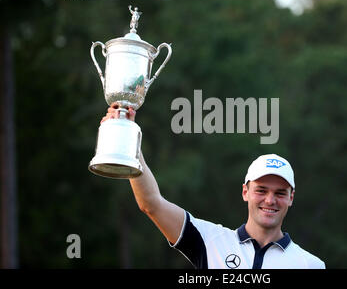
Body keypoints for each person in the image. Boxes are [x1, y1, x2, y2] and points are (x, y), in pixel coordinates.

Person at [101, 104, 326, 269]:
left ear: (291, 198)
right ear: (245, 192)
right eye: (261, 190)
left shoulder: (310, 265)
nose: (270, 200)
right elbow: (151, 204)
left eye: (279, 193)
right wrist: (129, 140)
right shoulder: (210, 240)